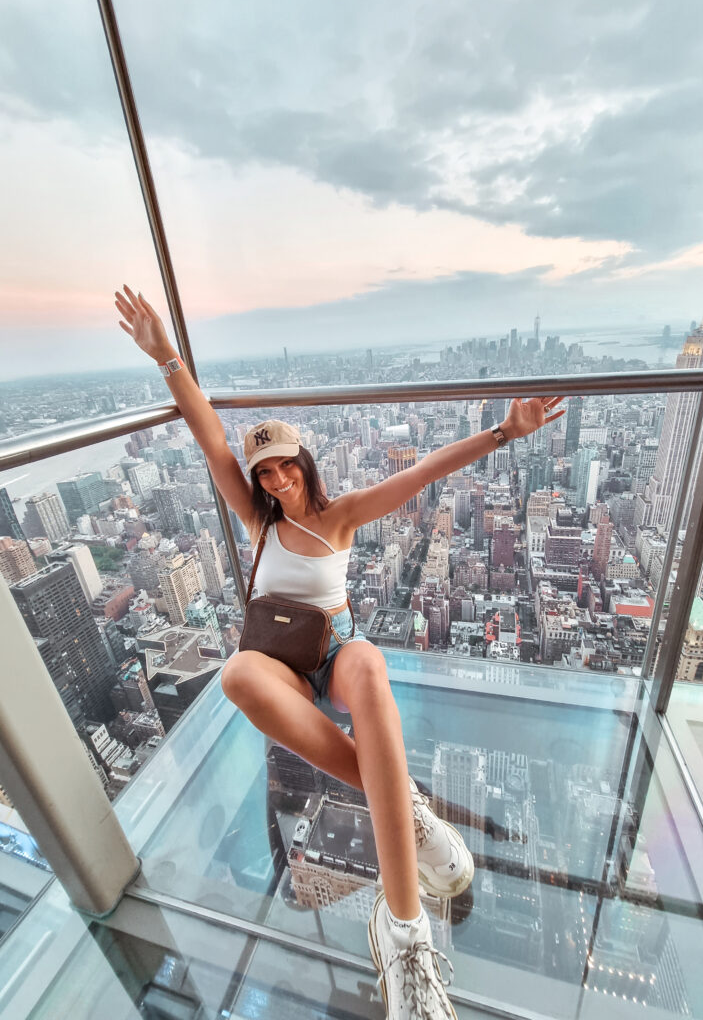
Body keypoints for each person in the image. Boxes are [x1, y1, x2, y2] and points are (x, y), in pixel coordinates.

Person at [115, 284, 564, 1019]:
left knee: (372, 675)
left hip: (339, 648)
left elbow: (420, 473)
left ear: (306, 462)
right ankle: (408, 812)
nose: (276, 478)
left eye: (286, 464)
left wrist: (504, 434)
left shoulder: (341, 517)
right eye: (265, 471)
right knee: (235, 675)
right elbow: (207, 434)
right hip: (280, 661)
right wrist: (165, 353)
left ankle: (402, 933)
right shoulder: (256, 522)